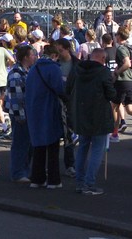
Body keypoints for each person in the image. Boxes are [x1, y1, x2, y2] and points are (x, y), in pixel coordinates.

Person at [66, 46, 118, 196]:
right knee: (97, 149)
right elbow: (111, 94)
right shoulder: (103, 72)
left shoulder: (77, 69)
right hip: (99, 115)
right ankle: (89, 183)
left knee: (82, 147)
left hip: (81, 114)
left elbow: (68, 89)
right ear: (103, 59)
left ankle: (80, 182)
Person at [25, 43, 66, 189]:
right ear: (54, 55)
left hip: (33, 110)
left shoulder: (33, 69)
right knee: (53, 146)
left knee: (38, 146)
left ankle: (37, 178)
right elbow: (60, 89)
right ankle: (53, 180)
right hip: (50, 109)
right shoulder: (54, 68)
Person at [4, 44, 35, 183]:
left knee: (27, 144)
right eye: (32, 55)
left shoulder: (26, 71)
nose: (34, 57)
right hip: (20, 114)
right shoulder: (16, 74)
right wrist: (20, 116)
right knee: (20, 144)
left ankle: (25, 170)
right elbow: (15, 98)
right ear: (26, 57)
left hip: (26, 112)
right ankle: (18, 173)